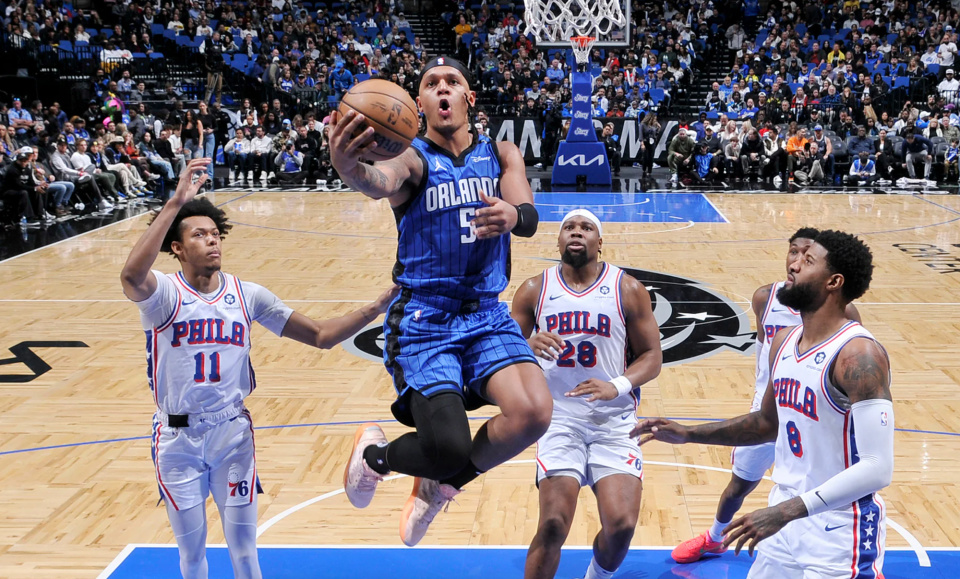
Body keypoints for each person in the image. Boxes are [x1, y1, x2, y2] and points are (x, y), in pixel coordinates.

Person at [119, 158, 398, 579]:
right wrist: (176, 202)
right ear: (177, 248)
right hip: (176, 440)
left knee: (245, 552)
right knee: (191, 555)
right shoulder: (163, 295)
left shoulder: (247, 295)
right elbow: (130, 275)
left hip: (232, 433)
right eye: (199, 235)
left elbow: (320, 335)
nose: (212, 241)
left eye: (215, 234)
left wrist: (374, 308)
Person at [329, 56, 551, 547]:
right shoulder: (412, 158)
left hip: (486, 314)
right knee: (448, 447)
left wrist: (513, 216)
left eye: (453, 82)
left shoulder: (501, 152)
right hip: (426, 320)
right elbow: (378, 181)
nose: (443, 88)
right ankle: (375, 458)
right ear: (419, 104)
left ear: (469, 98)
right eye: (432, 84)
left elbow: (528, 215)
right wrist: (348, 166)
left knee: (534, 413)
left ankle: (440, 487)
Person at [635, 230, 893, 579]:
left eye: (808, 260)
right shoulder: (784, 341)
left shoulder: (859, 355)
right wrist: (688, 434)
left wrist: (786, 511)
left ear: (834, 282)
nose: (794, 265)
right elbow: (766, 424)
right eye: (795, 255)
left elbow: (878, 468)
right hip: (784, 517)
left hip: (839, 528)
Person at [512, 210, 662, 579]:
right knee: (553, 523)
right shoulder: (534, 290)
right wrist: (526, 345)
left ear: (599, 241)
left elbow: (652, 356)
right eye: (569, 227)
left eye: (586, 227)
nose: (576, 232)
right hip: (559, 418)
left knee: (622, 525)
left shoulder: (627, 289)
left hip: (614, 420)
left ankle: (596, 576)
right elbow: (502, 350)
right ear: (558, 241)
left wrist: (618, 384)